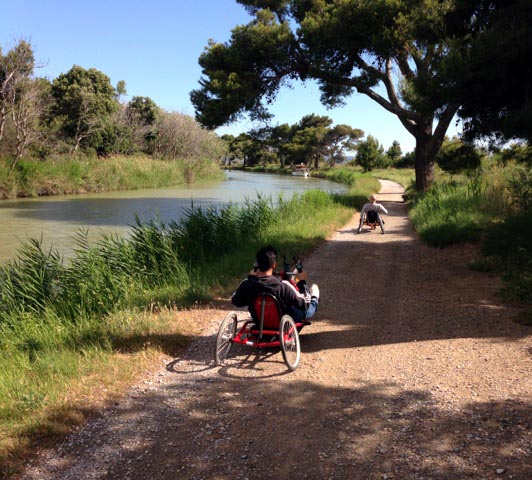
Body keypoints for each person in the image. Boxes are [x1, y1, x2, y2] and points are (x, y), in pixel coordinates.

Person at [231, 245, 319, 324]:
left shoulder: (247, 284)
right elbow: (304, 304)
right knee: (307, 310)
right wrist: (302, 281)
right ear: (274, 264)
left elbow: (235, 301)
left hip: (258, 321)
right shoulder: (283, 286)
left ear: (257, 265)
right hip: (282, 323)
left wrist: (251, 277)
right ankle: (315, 299)